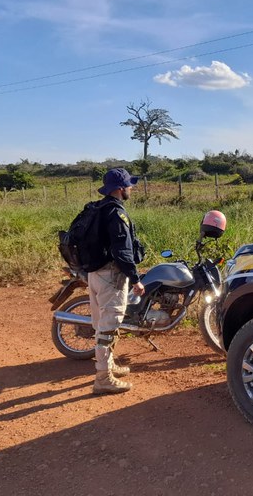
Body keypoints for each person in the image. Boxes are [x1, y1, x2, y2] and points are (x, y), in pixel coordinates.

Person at [86, 167, 146, 394]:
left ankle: (108, 365)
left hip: (94, 274)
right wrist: (136, 279)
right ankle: (103, 377)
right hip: (111, 276)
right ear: (120, 189)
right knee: (108, 328)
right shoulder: (117, 214)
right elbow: (123, 252)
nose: (132, 188)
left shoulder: (99, 208)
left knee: (100, 324)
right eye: (129, 185)